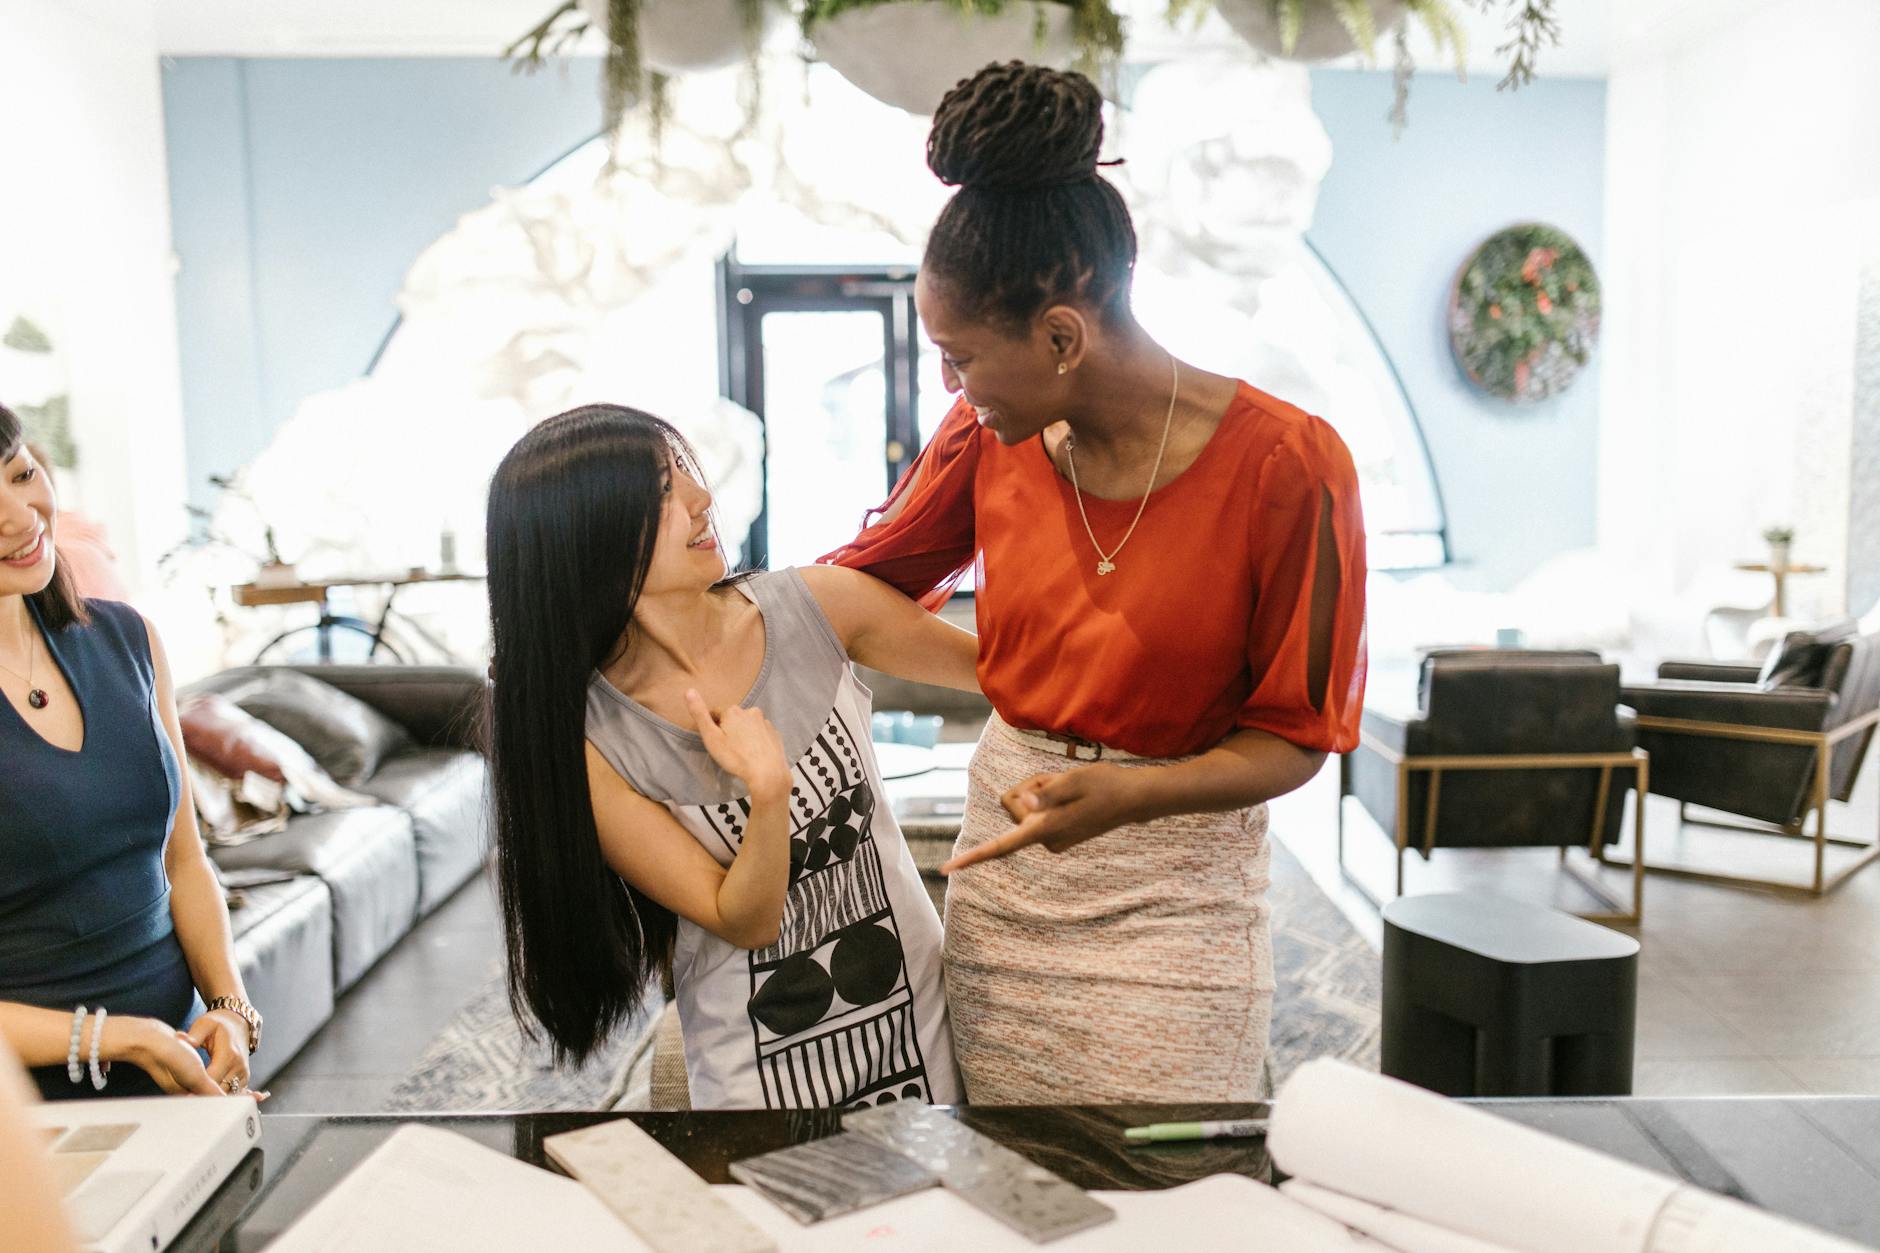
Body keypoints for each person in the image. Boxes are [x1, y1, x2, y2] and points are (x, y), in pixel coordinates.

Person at [822, 62, 1368, 1103]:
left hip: (1175, 896)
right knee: (1003, 1176)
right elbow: (853, 586)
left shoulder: (1289, 465)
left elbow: (1295, 734)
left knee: (1159, 1188)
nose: (949, 387)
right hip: (1004, 883)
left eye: (959, 357)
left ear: (1061, 336)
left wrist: (1135, 793)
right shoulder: (987, 436)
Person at [486, 404, 977, 1109]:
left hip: (918, 1026)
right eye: (662, 488)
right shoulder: (589, 738)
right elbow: (744, 918)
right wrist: (768, 791)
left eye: (686, 470)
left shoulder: (818, 605)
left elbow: (1008, 674)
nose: (701, 497)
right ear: (586, 533)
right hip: (759, 1076)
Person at [0, 405, 264, 1101]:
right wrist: (121, 1036)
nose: (20, 516)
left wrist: (230, 1008)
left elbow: (183, 859)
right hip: (30, 1113)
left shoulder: (128, 639)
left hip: (181, 1066)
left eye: (21, 475)